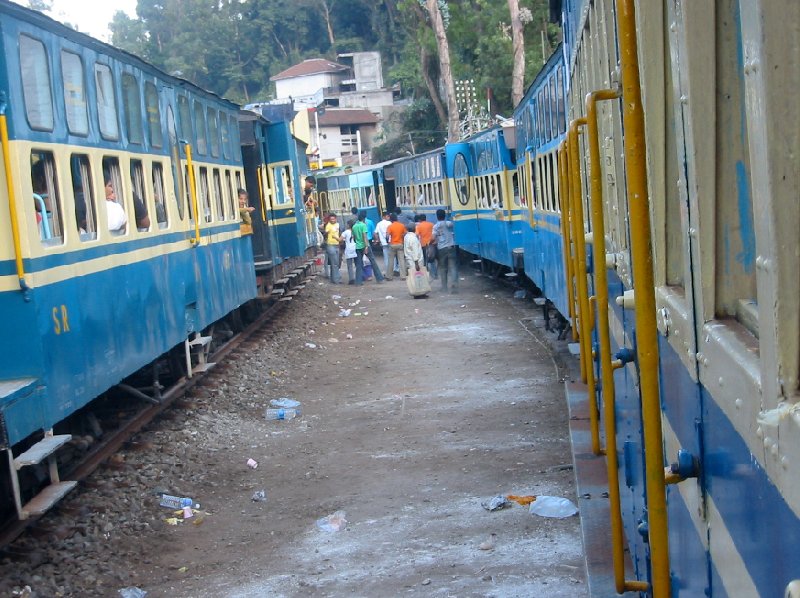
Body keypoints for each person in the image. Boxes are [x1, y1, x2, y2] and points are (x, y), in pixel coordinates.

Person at [353, 211, 384, 285]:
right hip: (365, 245)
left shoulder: (354, 226)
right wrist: (366, 246)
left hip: (357, 246)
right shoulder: (363, 225)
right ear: (363, 219)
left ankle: (358, 281)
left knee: (359, 264)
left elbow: (354, 237)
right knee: (373, 261)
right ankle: (379, 278)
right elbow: (365, 237)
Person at [432, 208, 458, 293]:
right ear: (445, 215)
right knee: (453, 267)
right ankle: (454, 284)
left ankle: (444, 287)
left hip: (441, 249)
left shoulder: (435, 226)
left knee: (443, 268)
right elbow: (453, 227)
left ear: (437, 216)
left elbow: (433, 238)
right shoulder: (449, 223)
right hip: (451, 247)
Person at [384, 213, 407, 281]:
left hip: (393, 244)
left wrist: (387, 241)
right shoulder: (402, 225)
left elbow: (387, 236)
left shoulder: (390, 226)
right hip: (400, 244)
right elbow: (405, 233)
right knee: (401, 260)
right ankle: (403, 276)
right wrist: (402, 238)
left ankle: (389, 276)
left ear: (391, 219)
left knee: (391, 260)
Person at [415, 213, 436, 279]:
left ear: (419, 219)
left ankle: (428, 274)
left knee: (425, 259)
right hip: (432, 244)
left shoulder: (419, 226)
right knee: (432, 259)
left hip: (423, 244)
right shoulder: (431, 224)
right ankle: (435, 274)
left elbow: (417, 235)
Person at [324, 213, 342, 284]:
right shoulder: (328, 225)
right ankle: (337, 279)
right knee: (335, 263)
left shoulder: (338, 225)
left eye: (333, 219)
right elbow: (325, 234)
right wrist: (326, 233)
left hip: (337, 245)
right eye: (331, 219)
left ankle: (333, 278)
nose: (332, 220)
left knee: (335, 262)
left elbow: (340, 233)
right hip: (330, 245)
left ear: (336, 219)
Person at [341, 219, 358, 284]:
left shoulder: (346, 232)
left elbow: (340, 239)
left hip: (349, 249)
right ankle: (359, 277)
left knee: (350, 265)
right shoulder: (355, 231)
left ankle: (351, 279)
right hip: (356, 248)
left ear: (348, 225)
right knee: (357, 264)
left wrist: (334, 237)